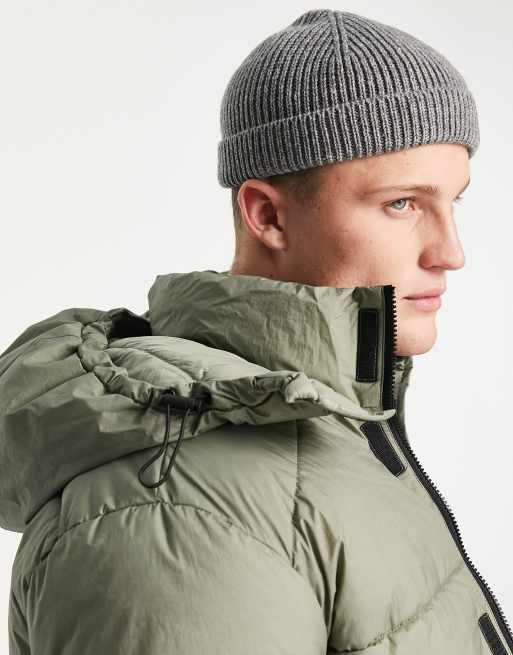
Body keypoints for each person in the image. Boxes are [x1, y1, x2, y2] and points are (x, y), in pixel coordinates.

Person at [1, 8, 510, 655]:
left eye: (452, 201)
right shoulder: (178, 511)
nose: (450, 251)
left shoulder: (332, 423)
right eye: (401, 203)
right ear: (267, 215)